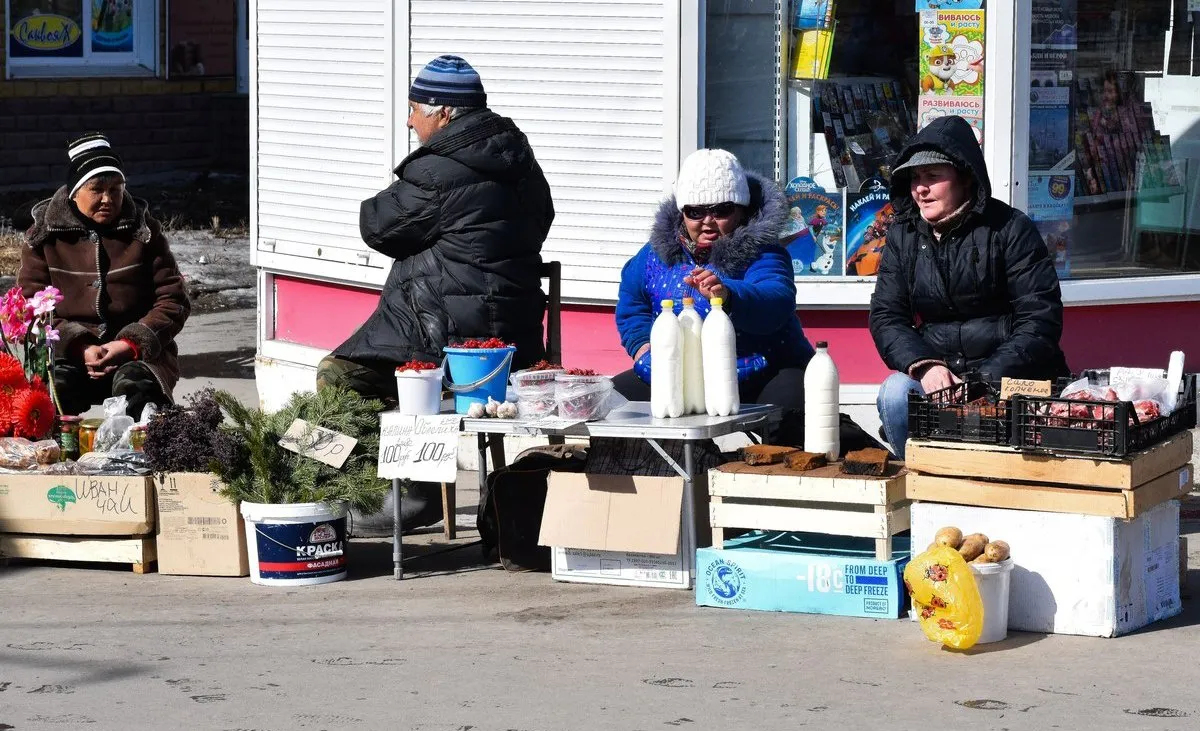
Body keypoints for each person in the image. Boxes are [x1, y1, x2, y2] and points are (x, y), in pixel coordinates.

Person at [317, 54, 554, 531]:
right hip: (515, 341)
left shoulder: (440, 170)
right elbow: (541, 219)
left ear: (444, 112)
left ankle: (375, 492)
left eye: (414, 109)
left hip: (448, 339)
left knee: (340, 376)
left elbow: (378, 225)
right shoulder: (520, 159)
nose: (409, 120)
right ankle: (396, 487)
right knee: (383, 370)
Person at [869, 115, 1069, 459]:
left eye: (933, 177)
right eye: (915, 178)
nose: (921, 189)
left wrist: (984, 380)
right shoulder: (903, 235)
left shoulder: (1009, 228)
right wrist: (925, 366)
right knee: (894, 393)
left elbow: (1039, 320)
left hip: (1009, 378)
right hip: (940, 376)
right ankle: (919, 485)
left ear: (964, 178)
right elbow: (887, 316)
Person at [613, 149, 815, 446]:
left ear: (741, 210)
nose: (707, 222)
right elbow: (632, 304)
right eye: (695, 211)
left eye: (721, 210)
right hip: (680, 376)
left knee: (792, 423)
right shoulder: (654, 254)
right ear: (682, 212)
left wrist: (729, 294)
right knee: (614, 406)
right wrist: (643, 348)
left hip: (764, 370)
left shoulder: (764, 251)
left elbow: (776, 299)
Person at [20, 132, 190, 419]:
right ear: (75, 192)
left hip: (135, 354)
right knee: (48, 397)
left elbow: (174, 300)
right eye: (97, 189)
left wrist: (128, 345)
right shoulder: (44, 237)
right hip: (68, 355)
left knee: (138, 392)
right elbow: (31, 305)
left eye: (116, 188)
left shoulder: (144, 232)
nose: (108, 199)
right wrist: (79, 347)